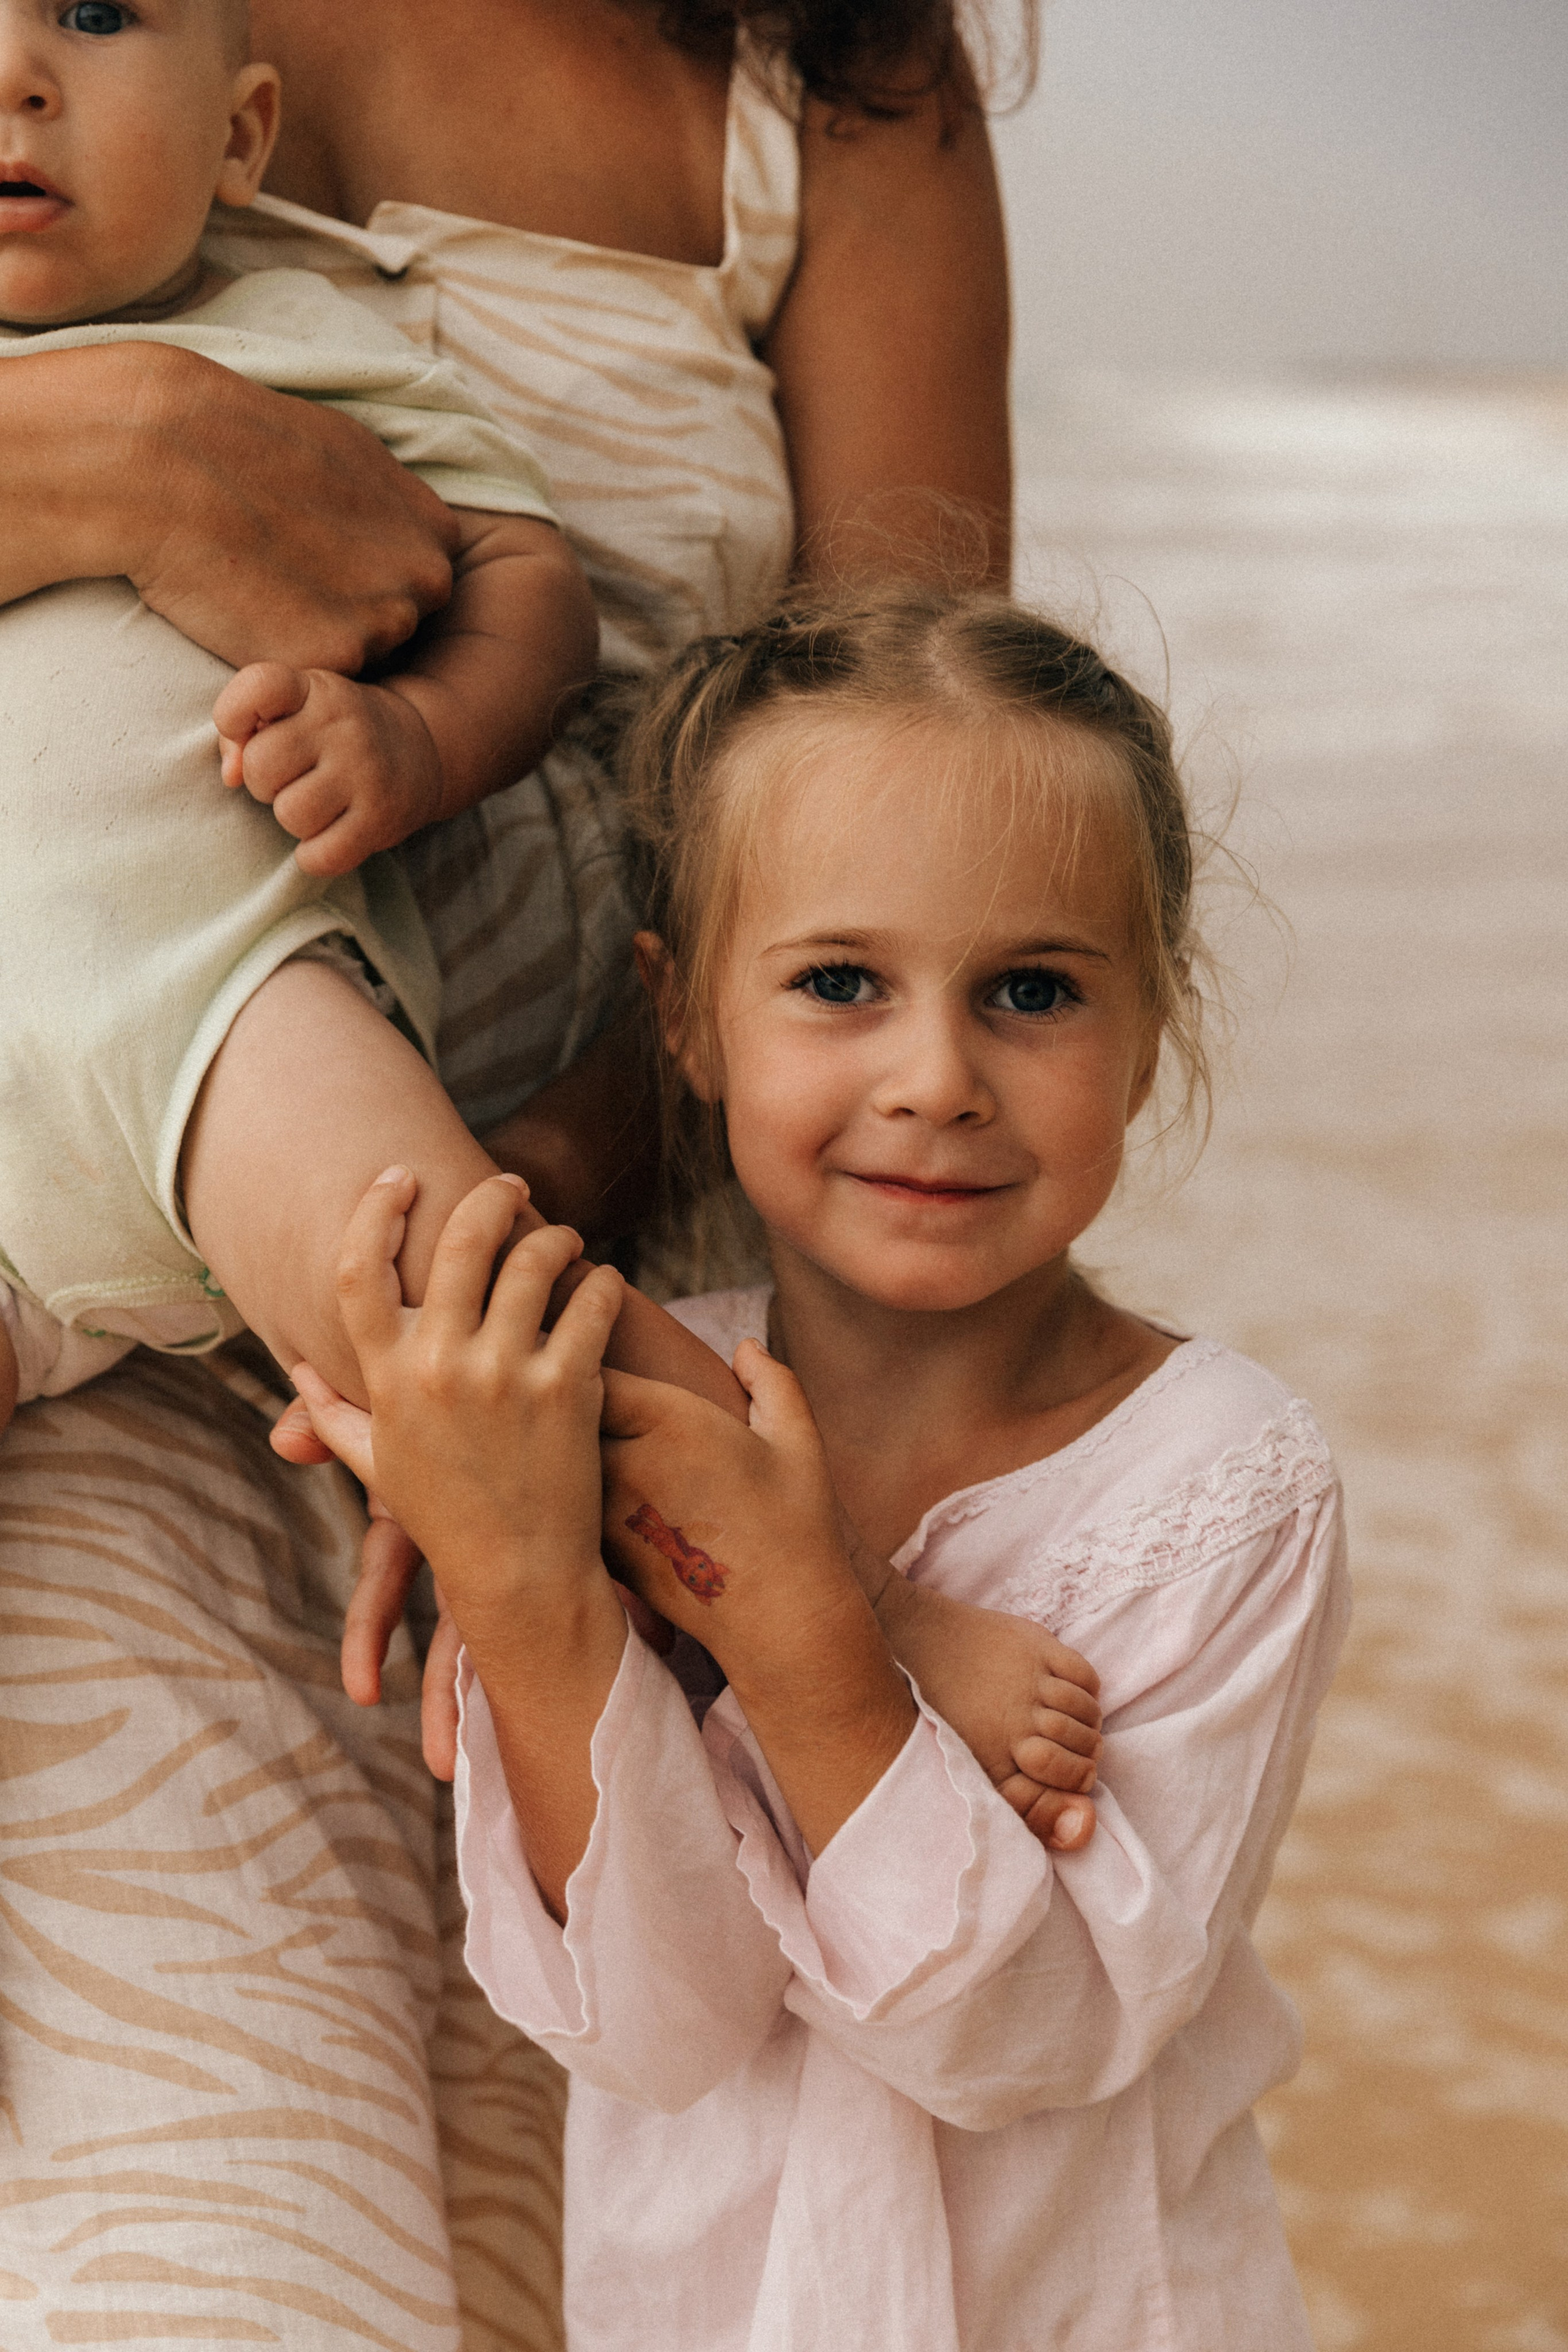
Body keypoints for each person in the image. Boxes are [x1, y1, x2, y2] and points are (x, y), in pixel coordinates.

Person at [0, 10, 1022, 2345]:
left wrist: (575, 1132)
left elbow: (917, 803)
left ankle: (811, 1602)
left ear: (241, 128)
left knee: (563, 2263)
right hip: (121, 1369)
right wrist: (126, 449)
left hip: (595, 1264)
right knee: (235, 2278)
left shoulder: (824, 80)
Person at [293, 588, 1351, 2350]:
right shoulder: (599, 1422)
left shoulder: (1225, 1483)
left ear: (1151, 1028)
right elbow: (650, 2029)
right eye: (840, 984)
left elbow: (1027, 2037)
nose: (937, 1079)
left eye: (1032, 991)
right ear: (688, 1018)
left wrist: (805, 1631)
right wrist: (528, 1586)